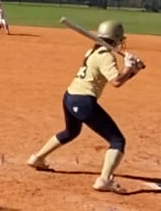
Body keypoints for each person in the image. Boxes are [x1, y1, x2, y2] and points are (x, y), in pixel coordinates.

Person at [26, 20, 145, 193]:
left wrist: (133, 70)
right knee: (117, 140)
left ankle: (37, 158)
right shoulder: (105, 56)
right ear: (117, 38)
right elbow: (117, 82)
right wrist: (128, 66)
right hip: (83, 102)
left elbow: (117, 77)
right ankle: (105, 180)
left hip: (70, 97)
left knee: (71, 132)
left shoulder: (93, 51)